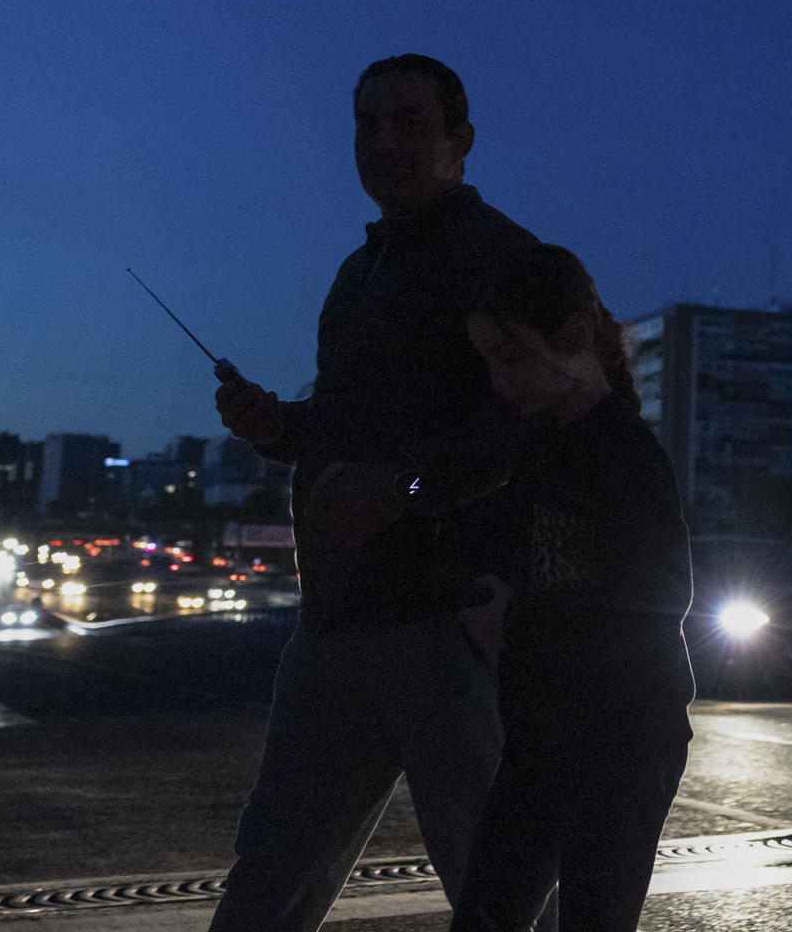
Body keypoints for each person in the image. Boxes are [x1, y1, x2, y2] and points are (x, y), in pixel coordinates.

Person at [208, 54, 544, 932]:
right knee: (271, 871)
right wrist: (277, 426)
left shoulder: (505, 261)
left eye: (408, 121)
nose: (384, 139)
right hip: (336, 625)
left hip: (447, 630)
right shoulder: (358, 275)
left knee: (494, 889)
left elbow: (535, 427)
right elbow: (349, 426)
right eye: (368, 123)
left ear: (460, 142)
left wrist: (405, 486)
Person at [445, 244, 695, 932]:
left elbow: (658, 602)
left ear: (579, 340)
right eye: (490, 360)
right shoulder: (536, 442)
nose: (500, 380)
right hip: (545, 739)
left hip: (620, 748)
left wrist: (511, 619)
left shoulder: (622, 455)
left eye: (513, 358)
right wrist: (407, 486)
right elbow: (457, 502)